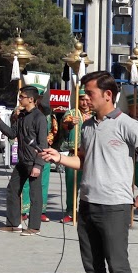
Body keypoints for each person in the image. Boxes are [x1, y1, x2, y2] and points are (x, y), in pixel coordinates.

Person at [39, 71, 138, 273]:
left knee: (117, 265)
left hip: (115, 206)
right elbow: (82, 161)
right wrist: (57, 157)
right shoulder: (87, 126)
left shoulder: (127, 124)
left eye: (90, 93)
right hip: (87, 203)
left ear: (108, 95)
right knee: (92, 265)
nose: (85, 99)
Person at [0, 85, 47, 236]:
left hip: (33, 162)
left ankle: (34, 227)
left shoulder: (39, 118)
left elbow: (43, 145)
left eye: (22, 97)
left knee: (35, 195)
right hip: (22, 162)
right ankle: (14, 223)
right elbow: (12, 133)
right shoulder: (21, 116)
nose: (19, 99)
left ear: (31, 99)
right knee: (12, 189)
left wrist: (38, 165)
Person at [21, 96, 57, 223]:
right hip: (29, 153)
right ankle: (23, 210)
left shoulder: (48, 116)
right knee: (26, 183)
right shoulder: (23, 112)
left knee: (42, 183)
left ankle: (40, 211)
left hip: (44, 152)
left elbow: (55, 131)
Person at [59, 93, 92, 223]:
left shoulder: (97, 115)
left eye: (88, 100)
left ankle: (88, 212)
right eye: (82, 99)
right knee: (72, 185)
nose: (85, 103)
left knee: (91, 186)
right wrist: (71, 124)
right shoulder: (71, 113)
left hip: (92, 155)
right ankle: (71, 211)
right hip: (75, 155)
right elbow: (65, 126)